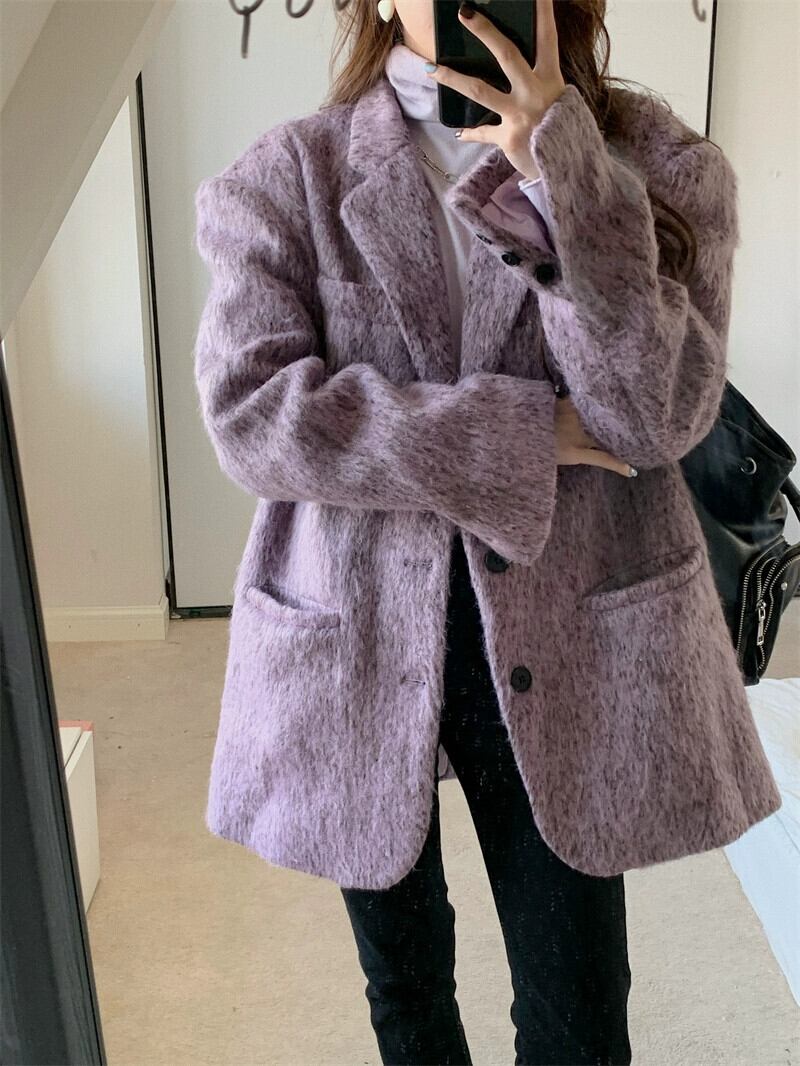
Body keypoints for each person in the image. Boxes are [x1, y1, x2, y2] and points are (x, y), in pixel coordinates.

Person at [192, 0, 781, 1063]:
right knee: (407, 993)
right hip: (357, 628)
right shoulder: (288, 176)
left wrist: (568, 177)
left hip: (571, 622)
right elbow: (254, 415)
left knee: (578, 1014)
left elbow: (652, 416)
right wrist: (520, 433)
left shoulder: (660, 168)